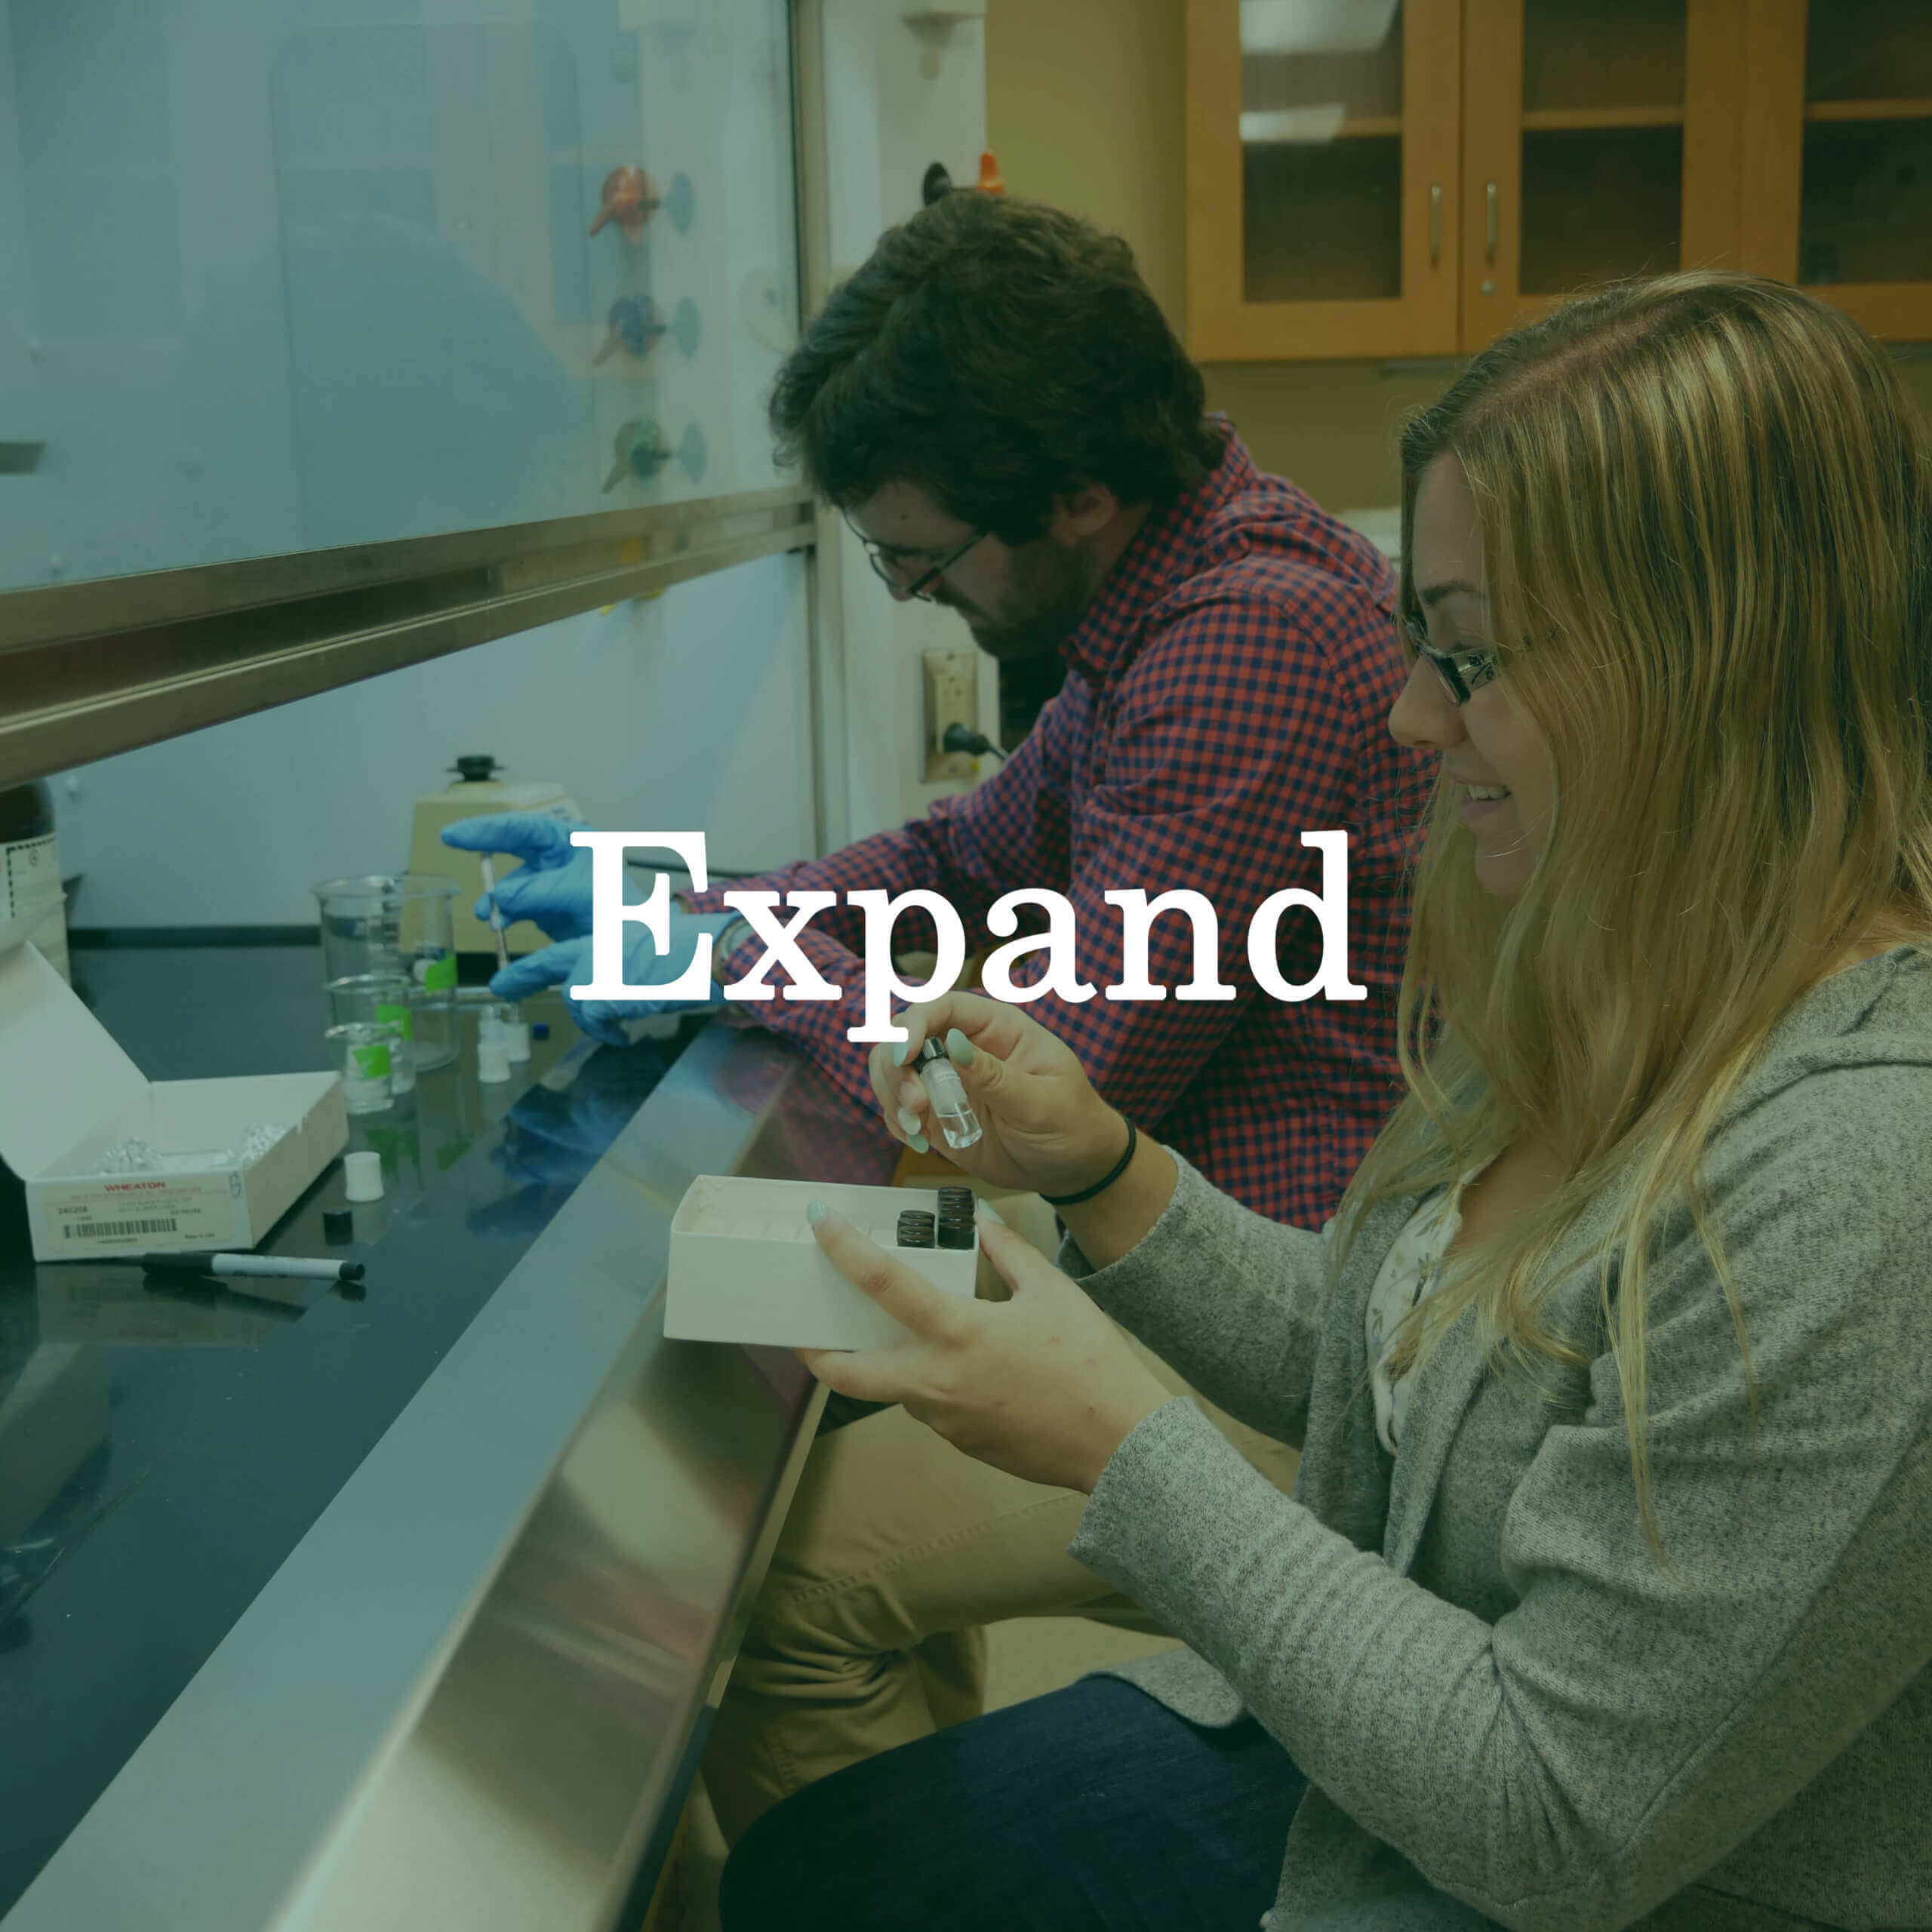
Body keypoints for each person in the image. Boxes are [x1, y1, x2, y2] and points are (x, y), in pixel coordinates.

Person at [715, 270, 1932, 1931]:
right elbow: (1396, 1364)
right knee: (818, 1868)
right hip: (1384, 1766)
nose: (1412, 712)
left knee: (816, 1817)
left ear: (1711, 668)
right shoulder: (1607, 967)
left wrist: (1120, 1440)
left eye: (1470, 656)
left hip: (1529, 1861)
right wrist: (1104, 1173)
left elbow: (1551, 1817)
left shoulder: (1861, 1166)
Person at [441, 190, 1429, 1833]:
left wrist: (733, 966)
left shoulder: (1247, 637)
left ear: (1076, 496)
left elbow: (1045, 1085)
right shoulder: (1160, 605)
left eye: (919, 554)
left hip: (1300, 1349)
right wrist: (700, 909)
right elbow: (957, 859)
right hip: (1194, 1258)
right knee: (837, 1432)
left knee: (773, 1584)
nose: (905, 593)